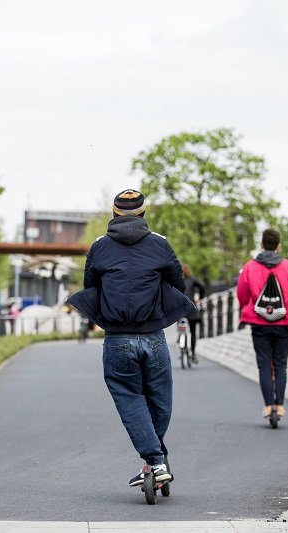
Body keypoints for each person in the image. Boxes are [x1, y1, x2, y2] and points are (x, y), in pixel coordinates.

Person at [68, 188, 195, 488]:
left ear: (113, 214)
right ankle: (156, 460)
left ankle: (154, 460)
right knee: (160, 401)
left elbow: (91, 285)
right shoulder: (160, 244)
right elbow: (178, 283)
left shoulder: (99, 247)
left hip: (117, 339)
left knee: (130, 397)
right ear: (143, 214)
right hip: (153, 335)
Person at [236, 229, 288, 421]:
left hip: (258, 323)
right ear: (278, 246)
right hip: (283, 322)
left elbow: (242, 292)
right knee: (281, 365)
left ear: (261, 245)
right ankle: (280, 405)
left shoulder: (250, 267)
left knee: (264, 364)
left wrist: (248, 307)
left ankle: (268, 406)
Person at [182, 264, 205, 364]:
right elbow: (202, 287)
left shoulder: (177, 279)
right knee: (193, 332)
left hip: (180, 310)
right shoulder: (192, 279)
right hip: (191, 309)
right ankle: (193, 354)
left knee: (181, 325)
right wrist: (200, 297)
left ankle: (180, 339)